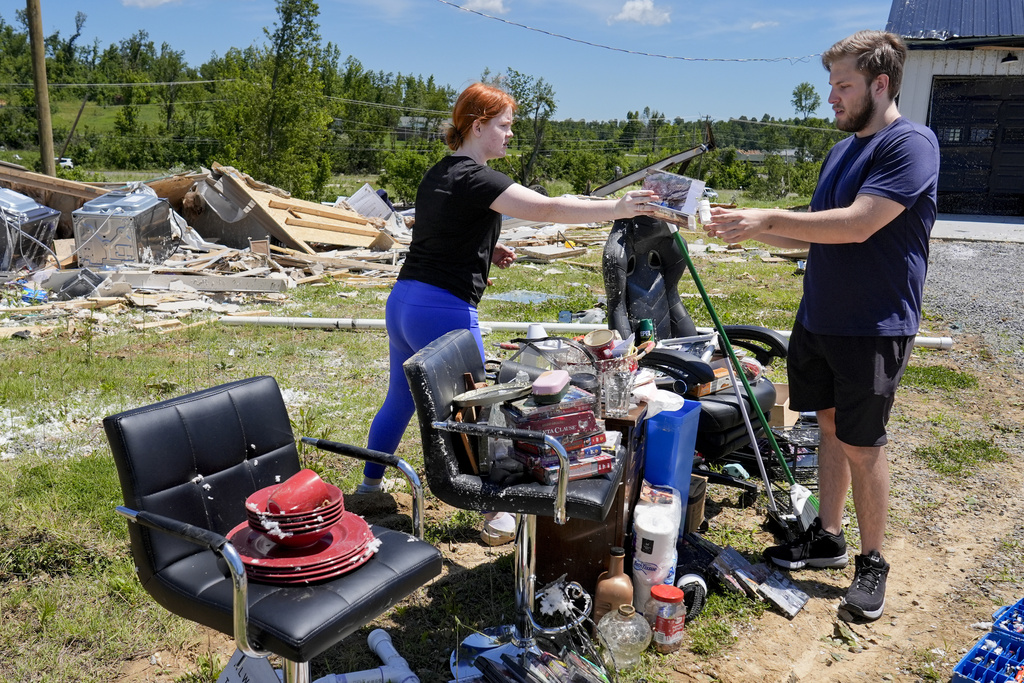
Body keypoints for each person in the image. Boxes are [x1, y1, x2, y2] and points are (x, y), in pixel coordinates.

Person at [357, 82, 660, 546]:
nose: (510, 134)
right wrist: (616, 208)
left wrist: (486, 247)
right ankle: (499, 514)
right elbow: (547, 208)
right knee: (487, 408)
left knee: (400, 397)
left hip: (404, 302)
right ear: (477, 126)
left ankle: (368, 488)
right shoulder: (479, 177)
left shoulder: (443, 172)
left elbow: (443, 226)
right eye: (504, 125)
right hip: (443, 307)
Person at [704, 30, 939, 622]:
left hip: (873, 326)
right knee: (828, 428)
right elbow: (815, 229)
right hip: (820, 318)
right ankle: (828, 538)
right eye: (830, 84)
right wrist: (749, 228)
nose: (831, 97)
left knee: (863, 443)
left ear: (880, 84)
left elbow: (859, 224)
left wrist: (768, 215)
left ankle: (873, 561)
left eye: (844, 85)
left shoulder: (911, 144)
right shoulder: (841, 152)